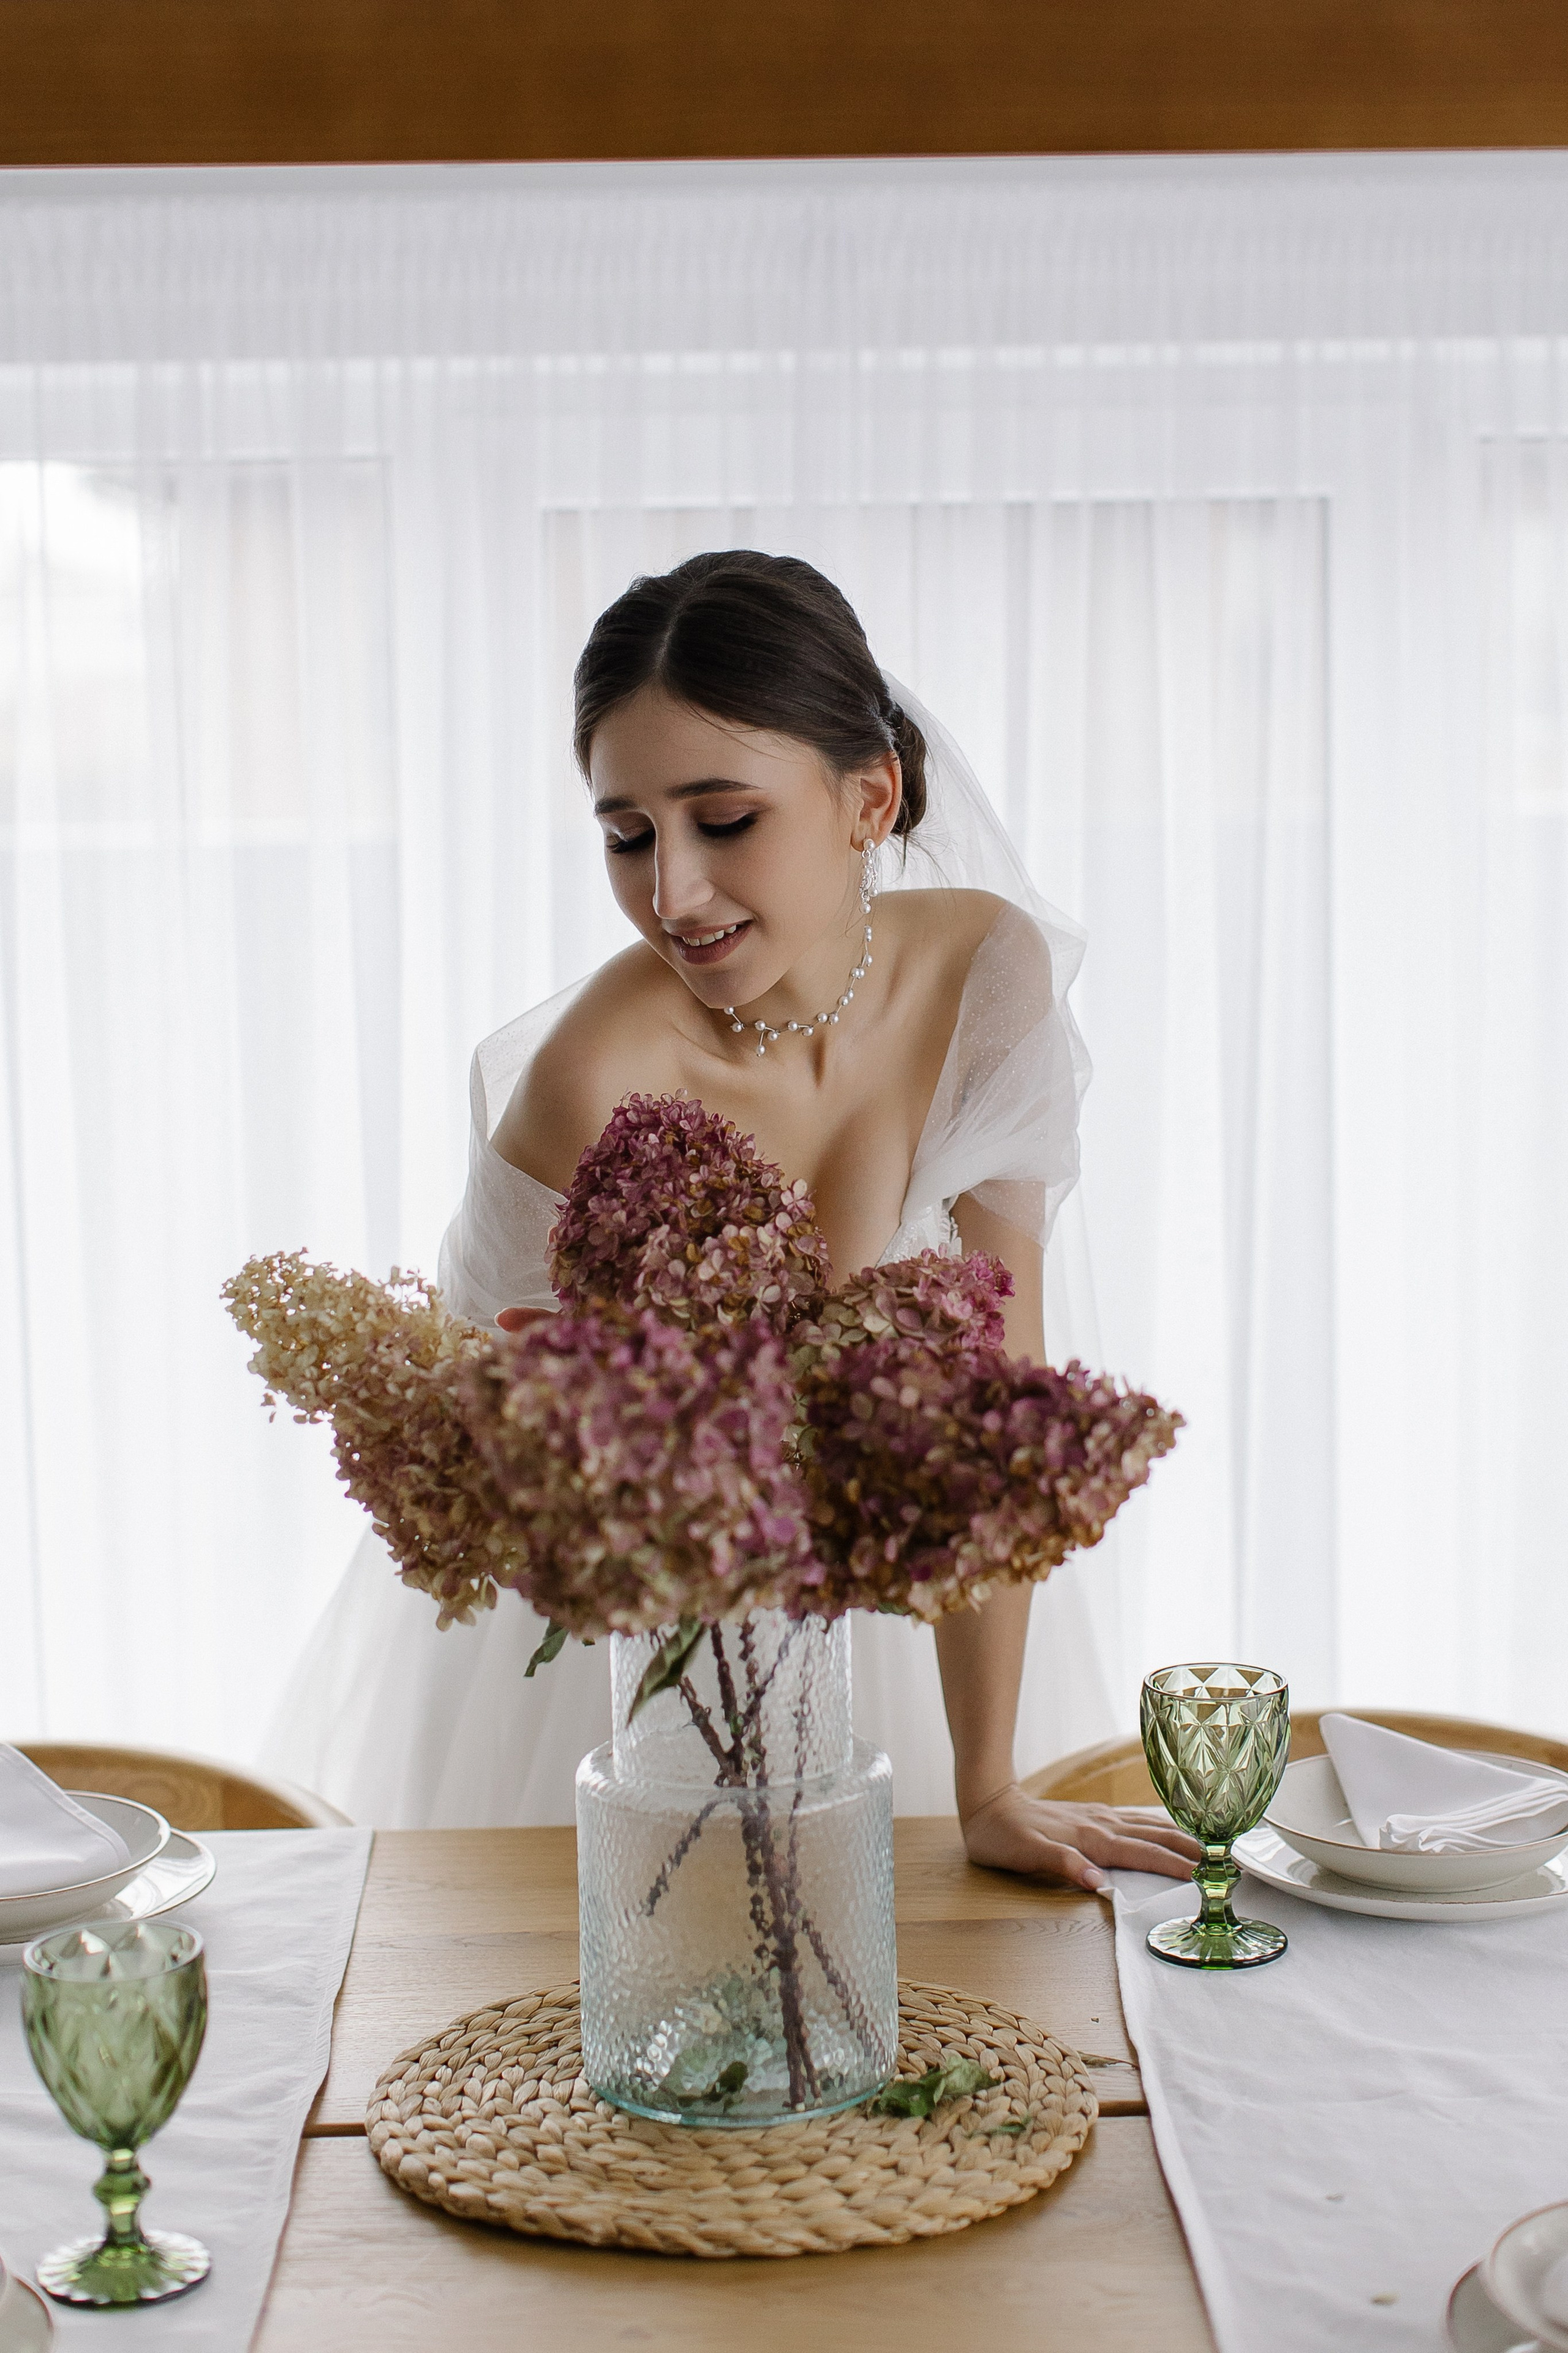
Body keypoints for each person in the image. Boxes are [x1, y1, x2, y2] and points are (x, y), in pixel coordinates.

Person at [266, 551, 1197, 1890]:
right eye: (628, 834)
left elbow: (1002, 1400)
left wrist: (986, 1781)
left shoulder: (986, 977)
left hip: (884, 1603)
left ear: (868, 795)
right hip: (623, 1642)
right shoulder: (591, 1076)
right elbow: (493, 1437)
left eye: (723, 820)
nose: (673, 896)